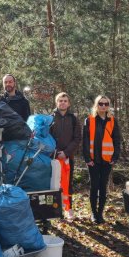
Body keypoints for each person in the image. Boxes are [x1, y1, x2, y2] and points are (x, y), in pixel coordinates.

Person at [82, 95, 121, 224]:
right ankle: (93, 213)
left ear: (108, 106)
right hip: (93, 159)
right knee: (94, 186)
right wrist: (87, 158)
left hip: (107, 160)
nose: (103, 106)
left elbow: (117, 140)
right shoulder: (89, 120)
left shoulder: (113, 121)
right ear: (96, 105)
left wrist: (115, 157)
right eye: (100, 103)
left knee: (103, 187)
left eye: (106, 104)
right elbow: (85, 141)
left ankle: (100, 213)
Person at [49, 92, 82, 221]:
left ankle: (68, 209)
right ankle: (54, 210)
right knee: (53, 184)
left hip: (68, 158)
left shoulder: (73, 119)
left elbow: (77, 138)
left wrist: (66, 152)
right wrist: (56, 153)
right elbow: (47, 138)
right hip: (53, 158)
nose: (62, 102)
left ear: (68, 103)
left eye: (65, 100)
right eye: (60, 100)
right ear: (56, 102)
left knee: (67, 184)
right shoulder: (50, 118)